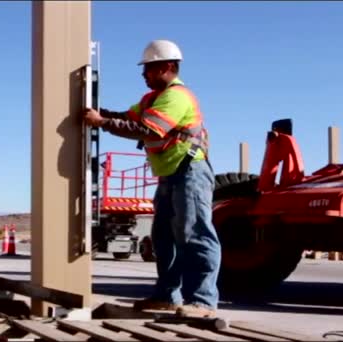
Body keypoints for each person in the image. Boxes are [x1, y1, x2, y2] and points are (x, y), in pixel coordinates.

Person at [82, 39, 221, 317]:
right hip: (170, 175)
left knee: (194, 235)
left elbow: (150, 130)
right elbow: (127, 116)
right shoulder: (151, 99)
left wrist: (102, 123)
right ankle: (168, 296)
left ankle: (203, 302)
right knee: (163, 238)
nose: (144, 74)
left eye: (150, 69)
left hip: (189, 172)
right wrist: (100, 113)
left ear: (168, 67)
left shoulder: (177, 96)